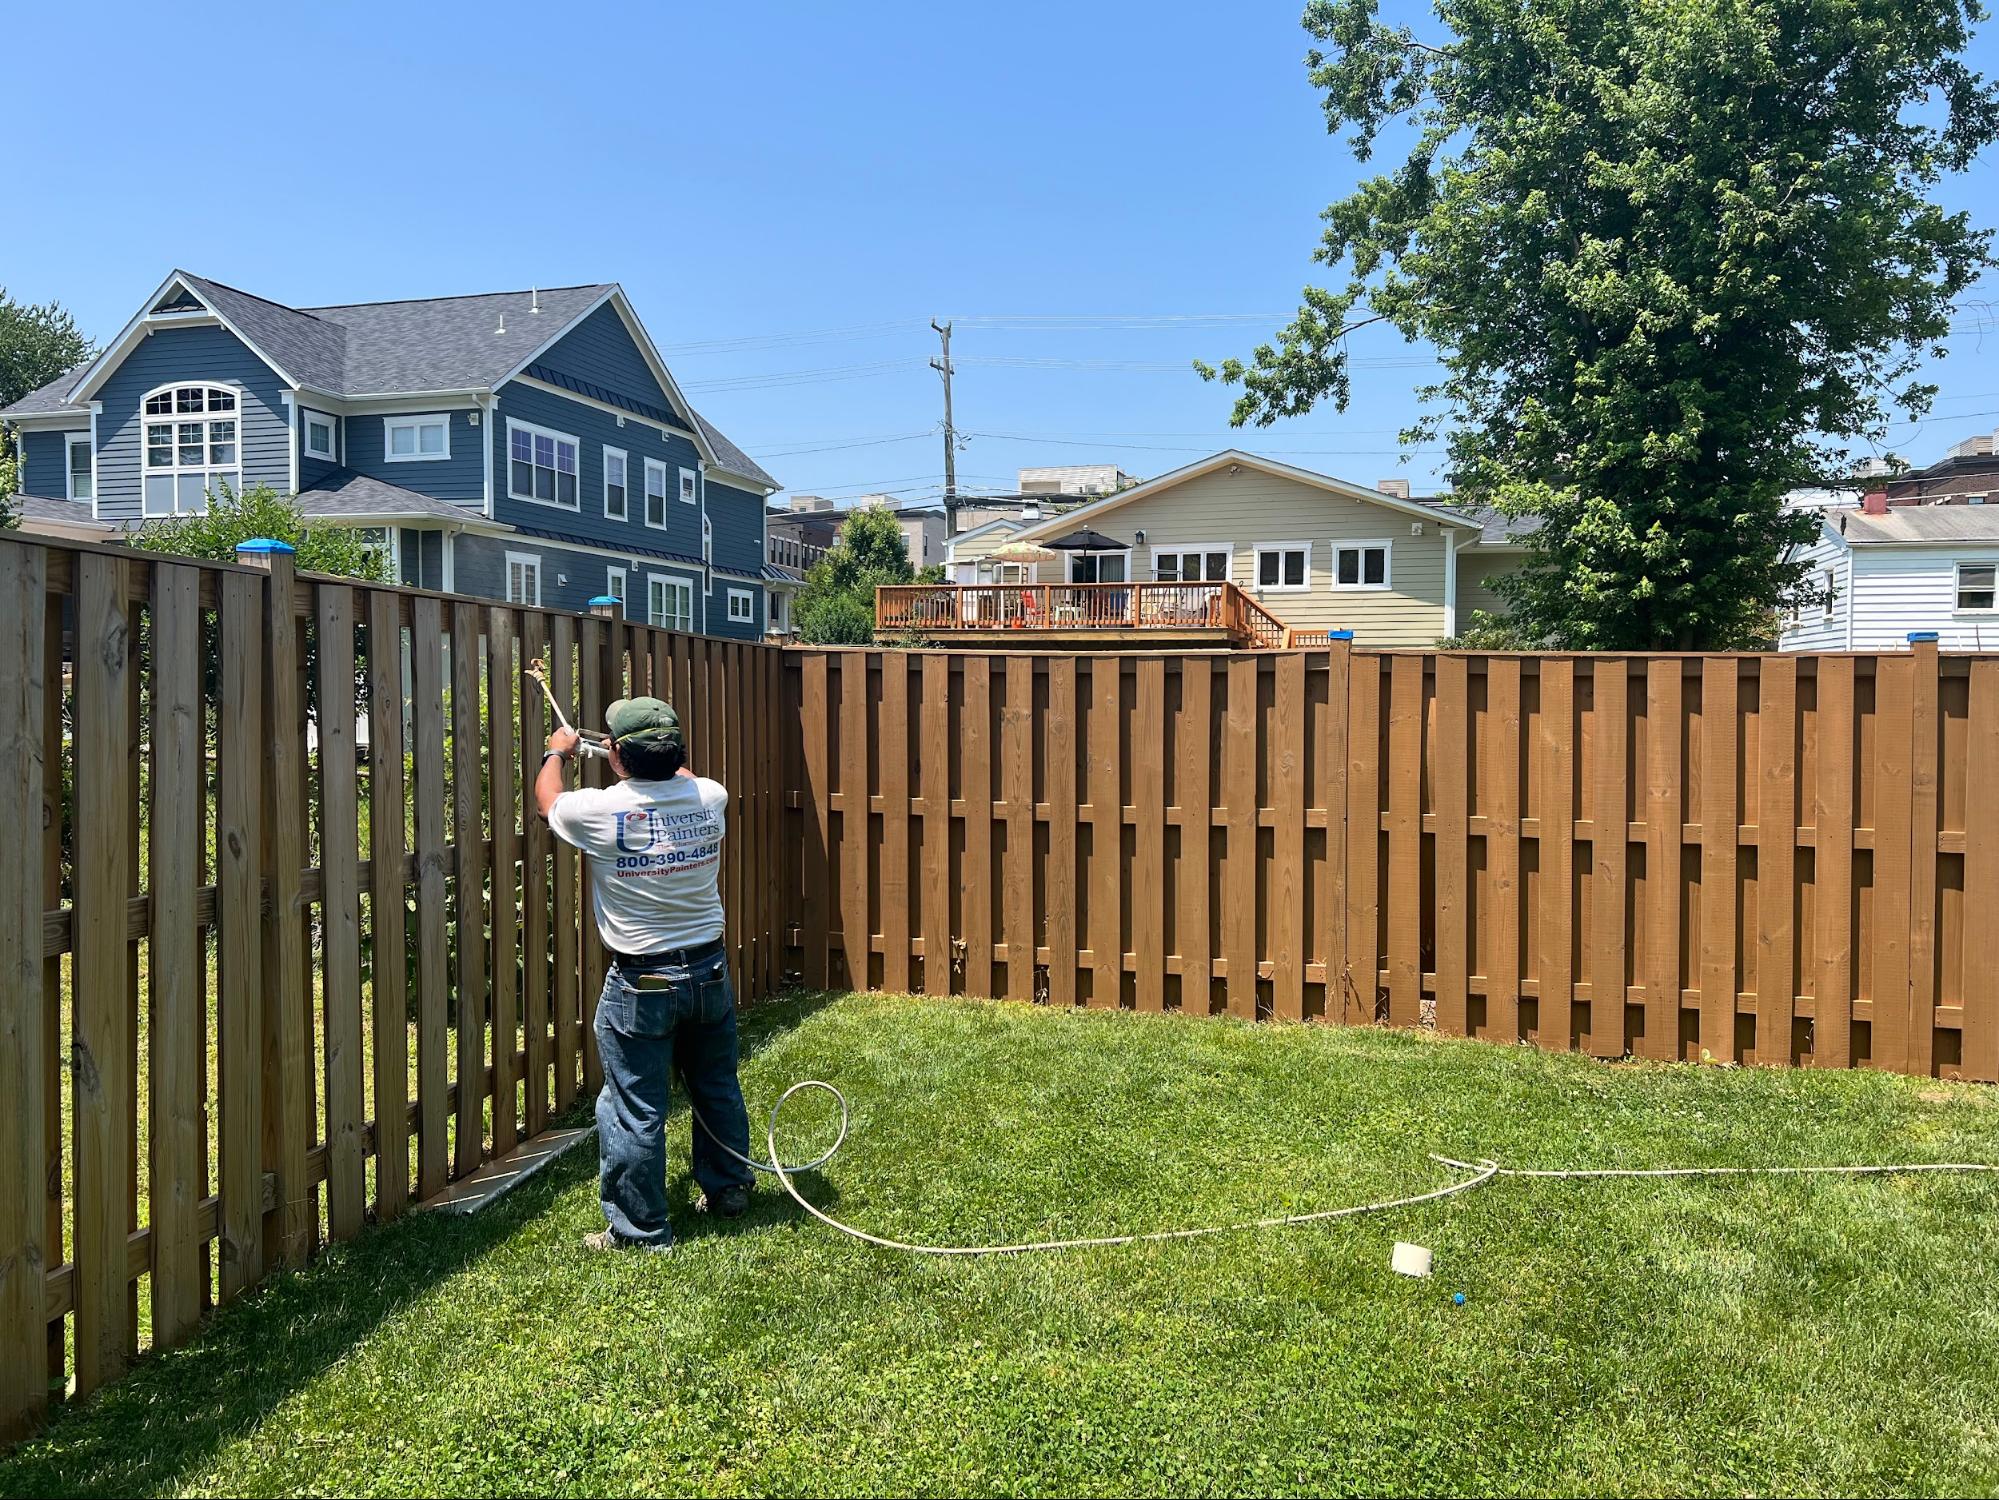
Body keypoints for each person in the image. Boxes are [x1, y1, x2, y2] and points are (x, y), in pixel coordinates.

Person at [535, 695, 755, 1252]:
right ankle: (729, 1190)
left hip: (643, 980)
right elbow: (681, 777)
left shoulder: (598, 810)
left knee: (635, 1104)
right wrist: (635, 758)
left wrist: (559, 753)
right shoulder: (711, 797)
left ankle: (640, 1228)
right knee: (715, 1086)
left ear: (616, 756)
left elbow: (547, 803)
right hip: (708, 970)